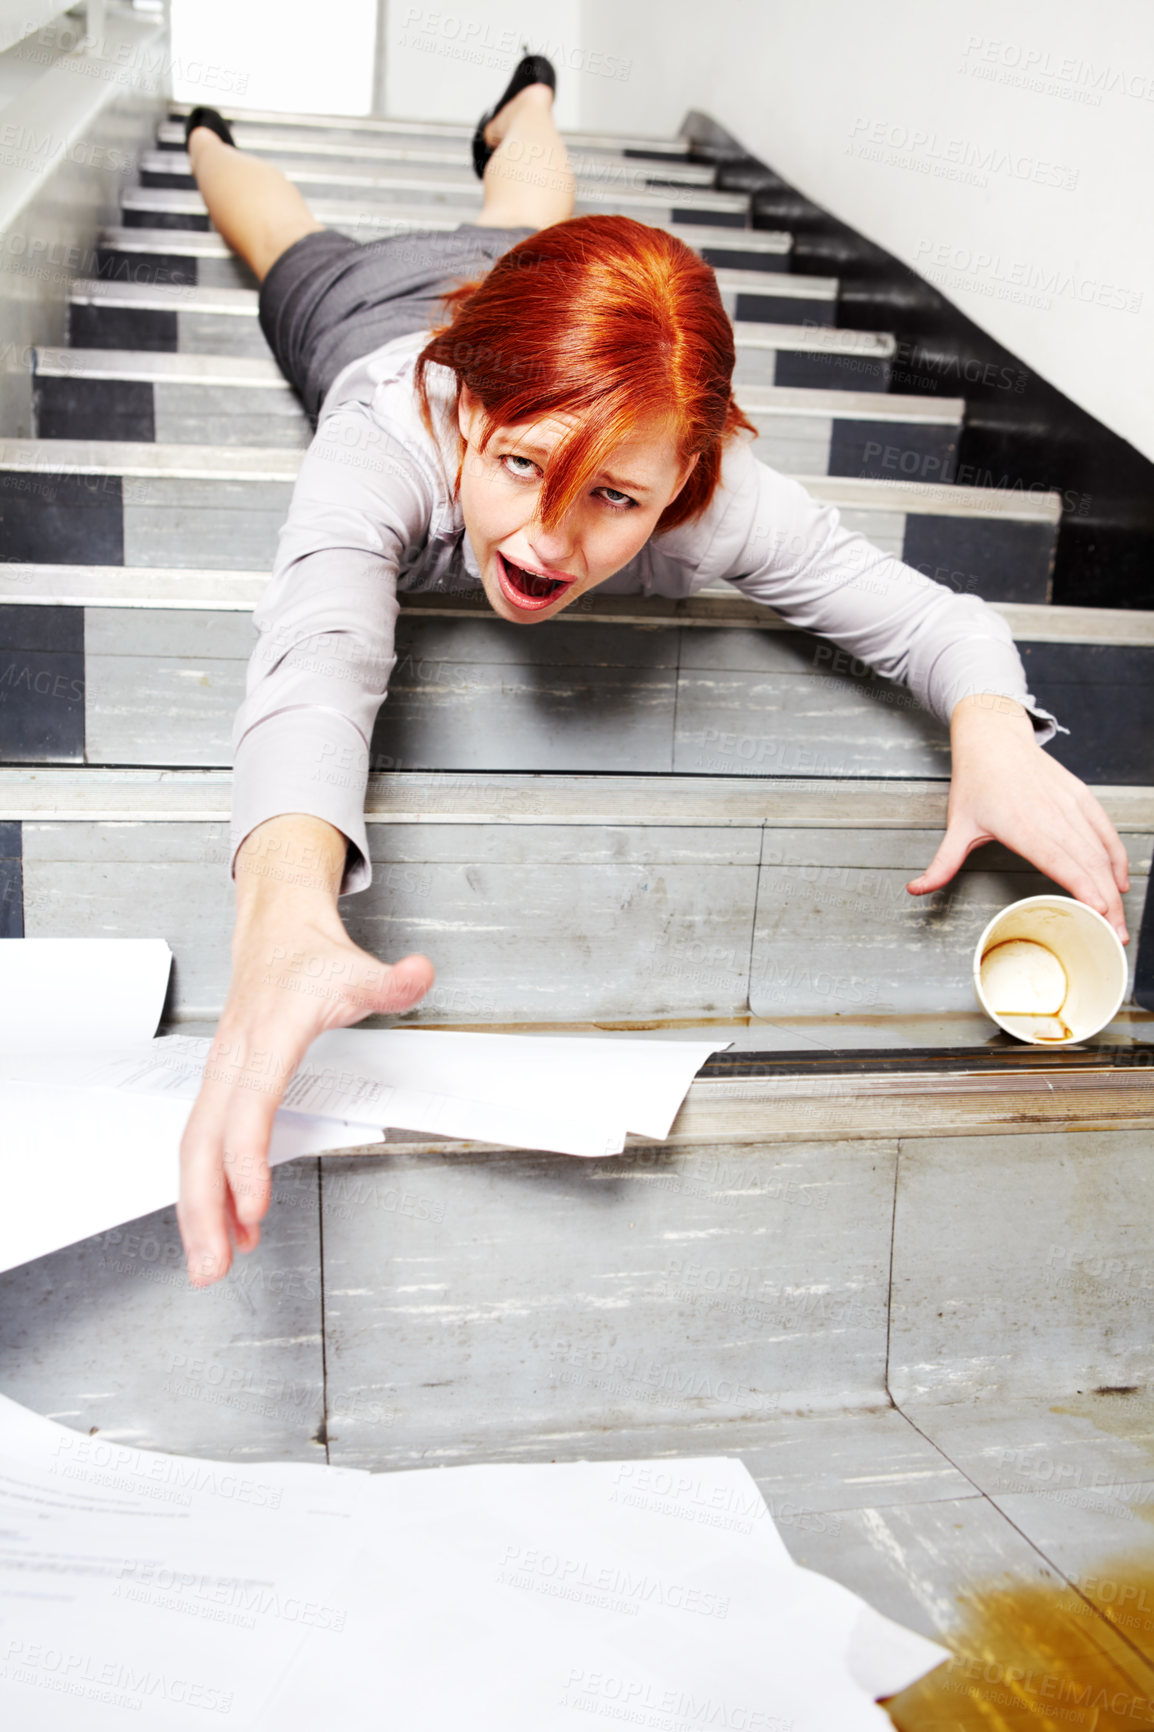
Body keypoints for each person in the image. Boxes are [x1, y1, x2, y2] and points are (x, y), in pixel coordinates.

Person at [175, 60, 1131, 1288]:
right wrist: (284, 917)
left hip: (539, 298)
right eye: (520, 467)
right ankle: (203, 129)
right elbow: (318, 657)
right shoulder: (385, 435)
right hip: (365, 310)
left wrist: (991, 726)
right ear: (467, 413)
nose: (546, 543)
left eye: (616, 498)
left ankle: (524, 100)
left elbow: (934, 622)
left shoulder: (712, 500)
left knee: (529, 206)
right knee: (283, 236)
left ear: (679, 485)